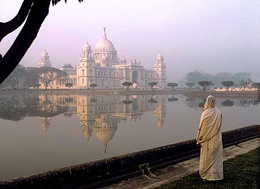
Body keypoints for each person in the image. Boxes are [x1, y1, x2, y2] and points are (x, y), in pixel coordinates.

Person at [196, 95, 223, 181]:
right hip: (216, 138)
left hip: (207, 140)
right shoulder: (218, 112)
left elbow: (202, 128)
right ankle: (216, 175)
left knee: (207, 156)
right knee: (215, 156)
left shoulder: (205, 113)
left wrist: (199, 138)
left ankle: (207, 175)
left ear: (207, 102)